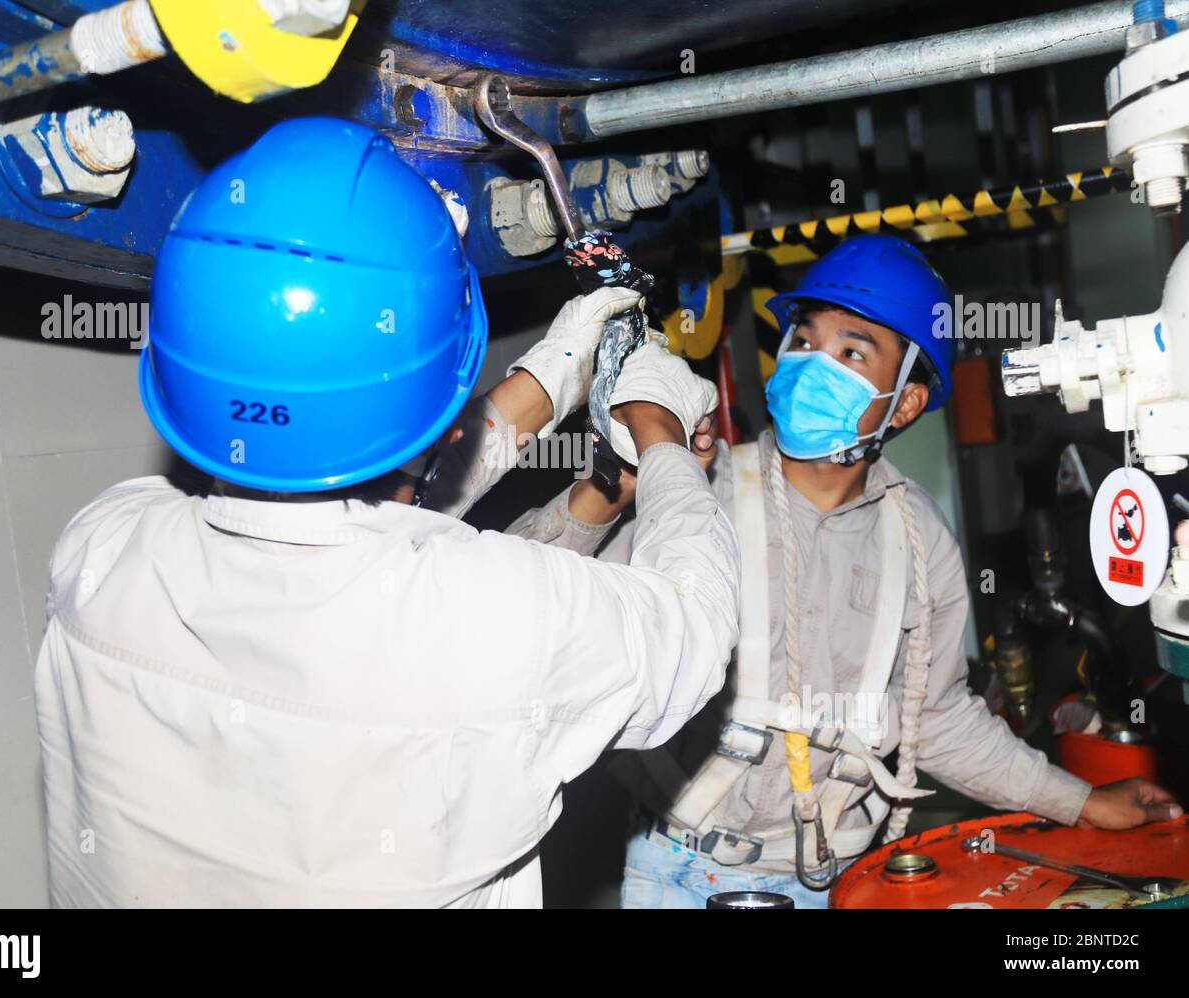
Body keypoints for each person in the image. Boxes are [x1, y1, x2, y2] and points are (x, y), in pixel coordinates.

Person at [33, 117, 739, 908]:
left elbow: (343, 509)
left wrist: (562, 368)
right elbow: (694, 628)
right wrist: (663, 431)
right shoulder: (503, 618)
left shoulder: (101, 545)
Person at [506, 235, 1184, 909]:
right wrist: (607, 488)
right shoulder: (695, 491)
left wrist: (1082, 801)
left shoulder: (918, 542)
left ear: (908, 403)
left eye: (852, 351)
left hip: (834, 881)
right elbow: (523, 602)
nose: (811, 364)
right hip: (675, 871)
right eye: (804, 340)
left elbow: (938, 719)